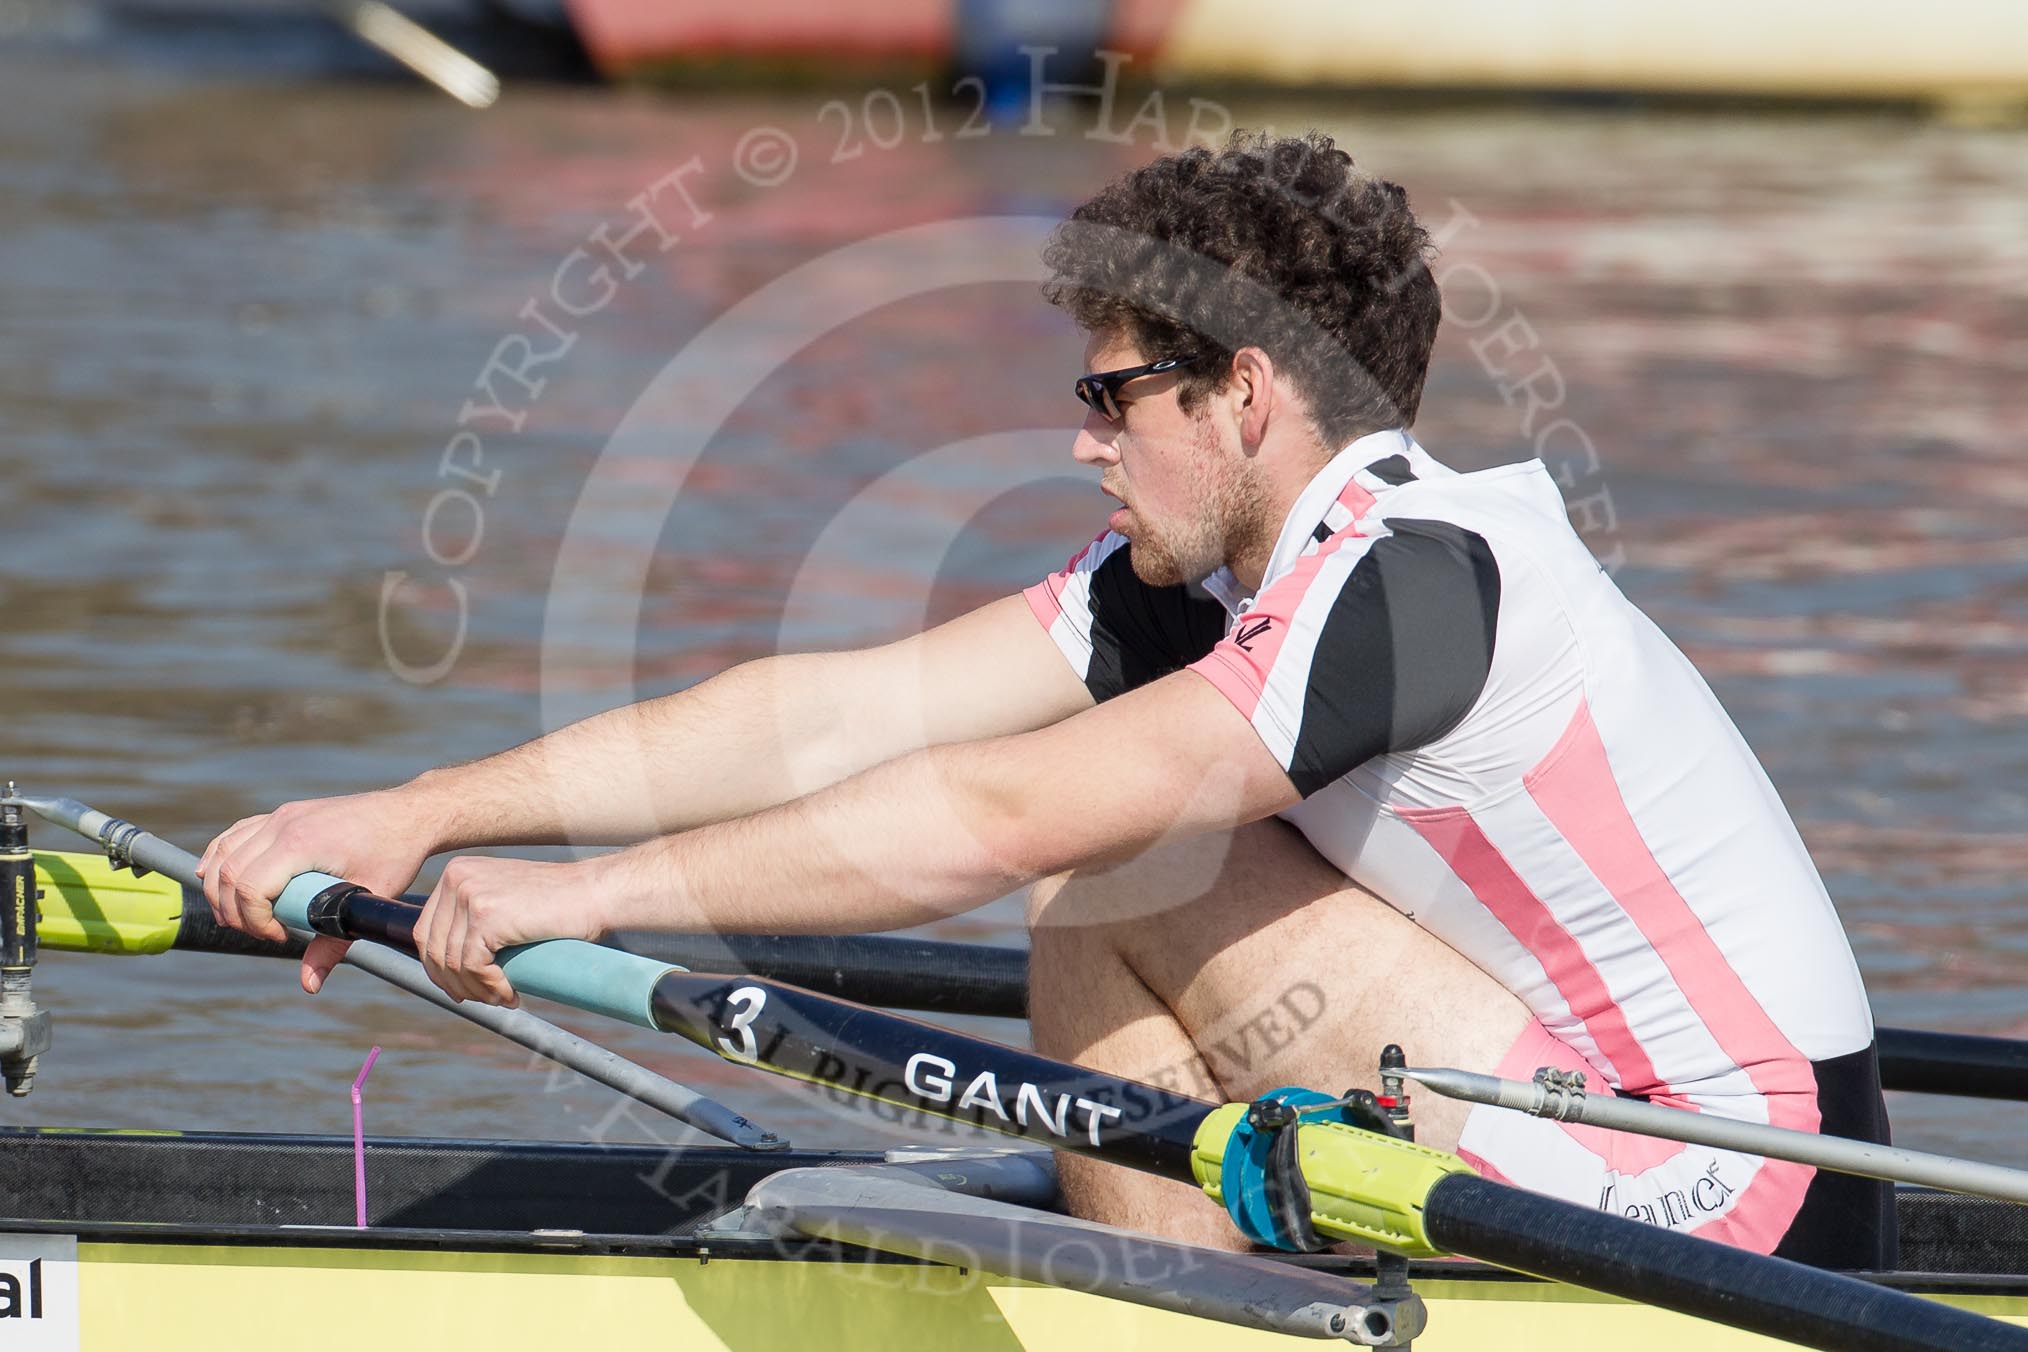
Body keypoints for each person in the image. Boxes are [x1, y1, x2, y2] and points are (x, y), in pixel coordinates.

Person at [201, 130, 1892, 1267]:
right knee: (1104, 874)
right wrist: (424, 811)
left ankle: (1166, 1295)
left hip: (1729, 1189)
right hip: (1573, 1110)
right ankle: (1176, 1274)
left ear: (1243, 392)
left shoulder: (1412, 574)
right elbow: (842, 713)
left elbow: (999, 815)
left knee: (1101, 863)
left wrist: (582, 902)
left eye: (1111, 392)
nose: (1084, 437)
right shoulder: (1203, 583)